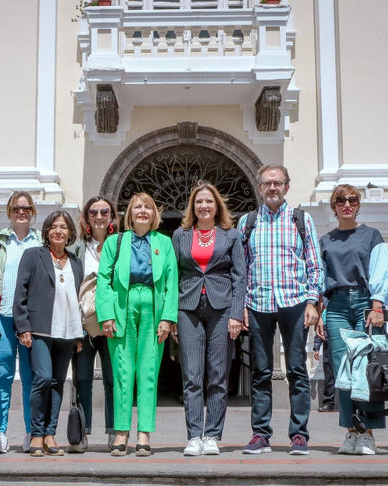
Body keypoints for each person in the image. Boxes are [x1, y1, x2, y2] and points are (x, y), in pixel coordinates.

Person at [238, 165, 323, 456]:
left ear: (287, 187)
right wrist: (242, 307)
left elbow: (314, 264)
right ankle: (260, 434)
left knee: (297, 371)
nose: (272, 188)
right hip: (258, 303)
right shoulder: (247, 222)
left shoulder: (301, 220)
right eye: (267, 183)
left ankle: (299, 435)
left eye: (278, 183)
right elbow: (242, 269)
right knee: (260, 372)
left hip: (294, 303)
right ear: (259, 187)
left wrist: (312, 302)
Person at [318, 184, 388, 456]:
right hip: (337, 305)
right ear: (334, 206)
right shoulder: (326, 240)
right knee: (343, 369)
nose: (347, 204)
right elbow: (321, 279)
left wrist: (377, 304)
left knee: (367, 368)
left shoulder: (370, 235)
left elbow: (380, 271)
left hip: (365, 302)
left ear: (358, 204)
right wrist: (320, 313)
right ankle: (351, 431)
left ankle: (368, 433)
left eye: (352, 200)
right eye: (341, 200)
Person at [96, 192, 178, 457]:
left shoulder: (164, 243)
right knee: (122, 371)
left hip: (153, 304)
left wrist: (167, 318)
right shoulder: (114, 242)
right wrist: (106, 314)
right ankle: (121, 432)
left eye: (148, 207)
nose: (142, 211)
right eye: (137, 207)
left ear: (155, 214)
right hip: (123, 304)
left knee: (148, 371)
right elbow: (104, 280)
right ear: (129, 214)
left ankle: (144, 433)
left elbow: (171, 282)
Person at [172, 181, 245, 456]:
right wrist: (171, 315)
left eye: (209, 201)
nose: (204, 206)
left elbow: (240, 276)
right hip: (188, 307)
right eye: (199, 202)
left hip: (222, 307)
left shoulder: (231, 235)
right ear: (193, 207)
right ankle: (193, 436)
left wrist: (237, 314)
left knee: (218, 374)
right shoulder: (180, 234)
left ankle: (212, 435)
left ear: (217, 206)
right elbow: (174, 274)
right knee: (192, 375)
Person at [14, 211, 84, 456]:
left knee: (57, 383)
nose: (58, 231)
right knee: (42, 378)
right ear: (46, 231)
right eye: (54, 226)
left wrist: (79, 334)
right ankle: (36, 434)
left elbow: (78, 298)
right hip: (41, 330)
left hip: (68, 332)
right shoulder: (33, 255)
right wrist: (22, 327)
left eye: (63, 227)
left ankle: (50, 434)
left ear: (70, 233)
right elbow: (20, 293)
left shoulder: (75, 261)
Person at [0, 191, 42, 454]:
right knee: (3, 375)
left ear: (33, 212)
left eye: (27, 208)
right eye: (17, 208)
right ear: (9, 212)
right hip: (3, 318)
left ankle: (32, 433)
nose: (22, 212)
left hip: (31, 320)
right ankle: (0, 433)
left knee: (31, 378)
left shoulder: (41, 241)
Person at [70, 196, 119, 452]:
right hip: (84, 324)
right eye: (93, 212)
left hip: (113, 323)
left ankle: (114, 432)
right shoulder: (78, 248)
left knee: (113, 380)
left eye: (104, 212)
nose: (99, 216)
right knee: (83, 379)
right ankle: (82, 433)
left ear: (111, 216)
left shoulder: (120, 245)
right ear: (87, 218)